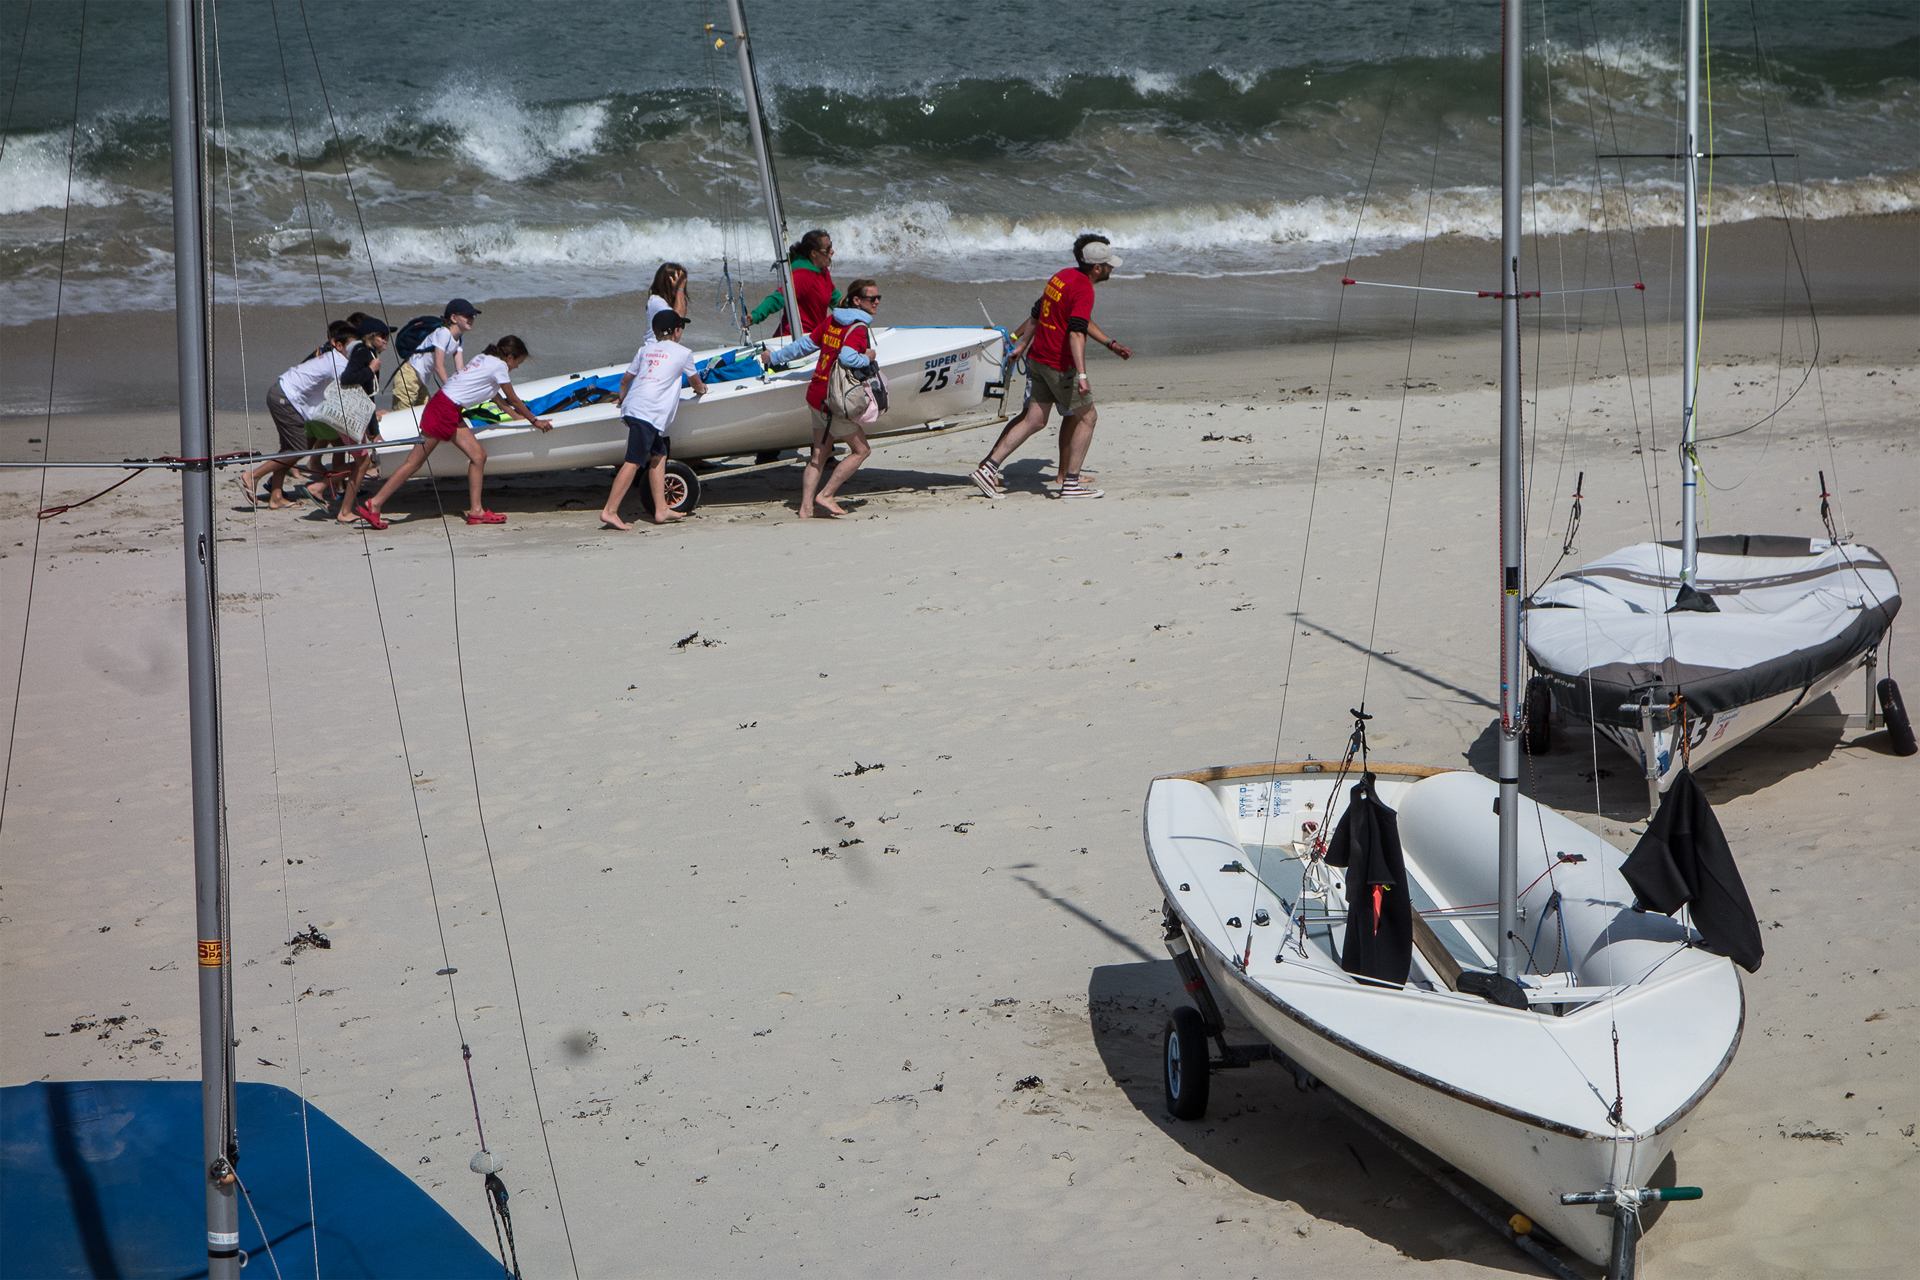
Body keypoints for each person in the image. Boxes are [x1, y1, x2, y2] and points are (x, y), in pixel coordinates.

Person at [970, 235, 1131, 500]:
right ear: (1097, 268)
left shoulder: (1062, 276)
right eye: (1109, 265)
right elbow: (1076, 333)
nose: (1112, 269)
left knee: (1035, 419)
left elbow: (1038, 311)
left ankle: (988, 468)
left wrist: (1022, 344)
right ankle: (1071, 483)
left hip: (1038, 358)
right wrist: (1081, 375)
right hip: (1059, 365)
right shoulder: (1083, 289)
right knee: (1087, 417)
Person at [353, 335, 551, 529]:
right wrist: (535, 421)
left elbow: (495, 396)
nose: (516, 367)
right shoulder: (499, 367)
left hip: (446, 406)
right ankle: (375, 503)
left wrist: (517, 417)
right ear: (510, 357)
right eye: (518, 362)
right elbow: (513, 398)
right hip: (444, 410)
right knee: (414, 463)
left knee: (478, 456)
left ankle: (476, 512)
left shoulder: (484, 358)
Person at [599, 310, 708, 530]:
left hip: (634, 407)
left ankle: (661, 509)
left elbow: (625, 380)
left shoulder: (645, 350)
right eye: (681, 328)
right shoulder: (683, 353)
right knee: (633, 462)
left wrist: (623, 400)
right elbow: (695, 382)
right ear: (677, 331)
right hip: (647, 413)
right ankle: (609, 511)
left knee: (659, 454)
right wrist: (702, 389)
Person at [237, 319, 356, 509]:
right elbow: (349, 392)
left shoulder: (334, 358)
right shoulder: (339, 363)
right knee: (298, 450)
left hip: (283, 394)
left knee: (289, 450)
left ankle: (276, 496)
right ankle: (252, 475)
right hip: (286, 397)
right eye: (353, 345)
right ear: (339, 345)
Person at [798, 278, 883, 519]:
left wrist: (774, 358)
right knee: (861, 450)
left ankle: (805, 509)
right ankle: (826, 494)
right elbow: (848, 358)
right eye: (872, 298)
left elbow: (806, 345)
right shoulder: (858, 328)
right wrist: (868, 356)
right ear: (857, 300)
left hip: (816, 394)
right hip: (835, 400)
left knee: (819, 454)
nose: (876, 302)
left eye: (879, 298)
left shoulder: (832, 320)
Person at [330, 316, 391, 525]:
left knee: (362, 461)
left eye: (388, 337)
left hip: (353, 413)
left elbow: (369, 397)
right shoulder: (363, 352)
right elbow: (347, 379)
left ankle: (332, 497)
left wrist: (374, 432)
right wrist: (370, 370)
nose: (386, 341)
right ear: (371, 336)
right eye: (383, 336)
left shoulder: (369, 353)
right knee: (363, 462)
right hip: (347, 413)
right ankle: (344, 511)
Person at [749, 228, 838, 342]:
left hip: (813, 337)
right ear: (814, 253)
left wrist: (855, 307)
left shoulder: (822, 270)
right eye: (828, 249)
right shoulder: (802, 275)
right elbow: (779, 297)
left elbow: (835, 297)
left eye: (831, 246)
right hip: (794, 340)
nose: (832, 251)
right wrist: (755, 316)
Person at [391, 298, 478, 410]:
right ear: (453, 318)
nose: (471, 319)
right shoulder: (443, 333)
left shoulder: (459, 339)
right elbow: (439, 366)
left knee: (426, 413)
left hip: (420, 381)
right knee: (400, 415)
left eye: (473, 316)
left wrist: (466, 388)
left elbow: (460, 369)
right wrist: (450, 389)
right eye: (467, 316)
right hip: (408, 376)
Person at [644, 262, 689, 344]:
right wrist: (680, 290)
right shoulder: (655, 301)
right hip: (655, 348)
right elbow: (676, 319)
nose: (684, 285)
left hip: (667, 349)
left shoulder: (673, 301)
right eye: (681, 282)